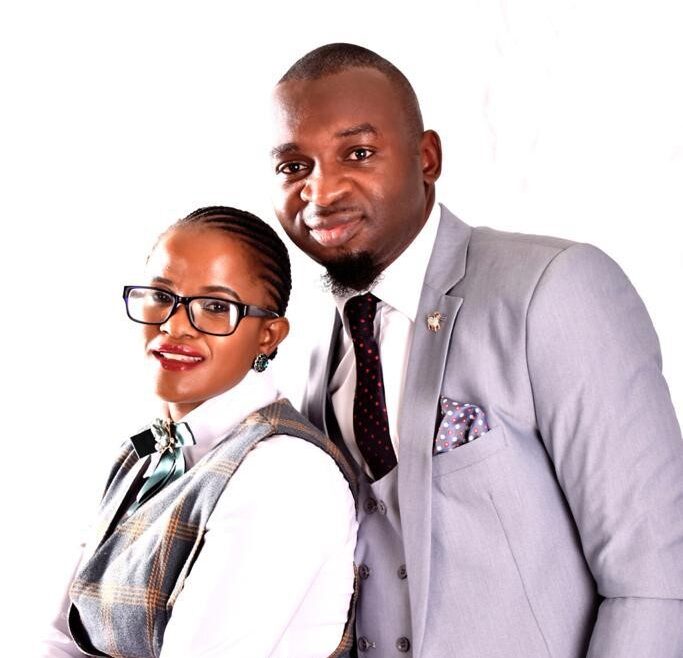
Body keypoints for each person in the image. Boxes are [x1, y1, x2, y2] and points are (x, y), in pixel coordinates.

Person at [270, 43, 683, 657]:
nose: (321, 191)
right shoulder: (310, 346)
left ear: (427, 158)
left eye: (358, 153)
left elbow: (655, 577)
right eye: (293, 166)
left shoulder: (555, 288)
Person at [40, 206, 358, 658]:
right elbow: (59, 635)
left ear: (269, 335)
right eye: (161, 296)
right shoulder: (144, 454)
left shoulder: (286, 473)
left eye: (215, 307)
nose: (173, 326)